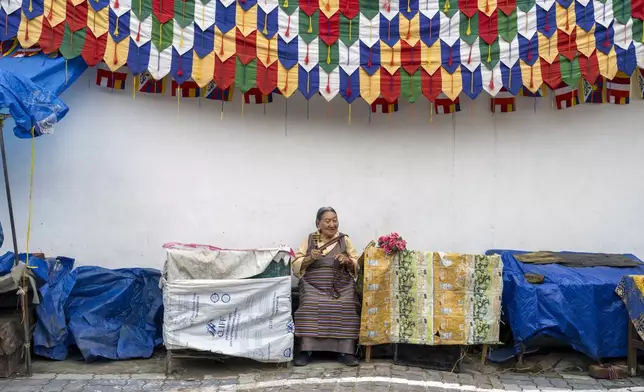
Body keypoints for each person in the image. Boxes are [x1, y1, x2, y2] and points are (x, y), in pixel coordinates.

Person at [292, 207, 361, 367]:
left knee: (348, 305)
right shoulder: (310, 239)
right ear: (318, 223)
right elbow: (295, 263)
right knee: (310, 304)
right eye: (327, 221)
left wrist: (348, 260)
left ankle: (346, 352)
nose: (332, 224)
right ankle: (306, 351)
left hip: (341, 286)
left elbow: (357, 262)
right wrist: (310, 258)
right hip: (313, 285)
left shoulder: (345, 240)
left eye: (335, 220)